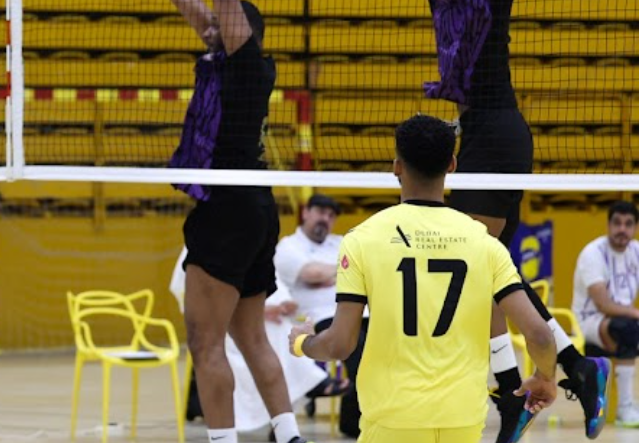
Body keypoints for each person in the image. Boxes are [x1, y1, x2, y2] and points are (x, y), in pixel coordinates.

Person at [393, 0, 607, 441]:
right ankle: (556, 375)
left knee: (476, 265)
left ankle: (531, 384)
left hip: (500, 136)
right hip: (478, 133)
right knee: (490, 276)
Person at [135, 0, 308, 443]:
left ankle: (222, 440)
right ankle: (288, 435)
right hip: (253, 205)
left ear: (243, 33)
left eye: (220, 23)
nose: (208, 23)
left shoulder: (248, 60)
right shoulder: (219, 54)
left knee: (205, 343)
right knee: (249, 336)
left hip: (229, 208)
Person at [289, 115, 558, 443]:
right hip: (462, 419)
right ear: (453, 165)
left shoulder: (362, 239)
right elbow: (541, 335)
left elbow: (340, 344)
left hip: (390, 419)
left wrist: (302, 343)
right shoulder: (484, 242)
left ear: (396, 167)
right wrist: (546, 377)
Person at [171, 248, 329, 435]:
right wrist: (263, 310)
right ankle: (305, 391)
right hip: (222, 322)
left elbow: (265, 283)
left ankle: (286, 424)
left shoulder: (251, 239)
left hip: (255, 321)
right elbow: (189, 291)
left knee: (276, 331)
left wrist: (282, 303)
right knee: (264, 337)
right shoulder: (204, 246)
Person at [275, 193, 365, 436]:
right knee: (360, 349)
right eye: (321, 213)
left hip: (360, 312)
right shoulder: (289, 246)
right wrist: (345, 270)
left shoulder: (339, 243)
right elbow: (310, 273)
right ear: (305, 212)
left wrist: (334, 274)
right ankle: (352, 422)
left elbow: (365, 270)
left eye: (331, 215)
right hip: (317, 318)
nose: (325, 219)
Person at [573, 201, 639, 427]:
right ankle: (625, 408)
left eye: (628, 224)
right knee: (626, 330)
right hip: (589, 322)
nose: (622, 229)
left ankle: (627, 404)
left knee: (627, 327)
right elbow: (603, 305)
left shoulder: (636, 251)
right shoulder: (593, 253)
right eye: (617, 223)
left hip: (624, 319)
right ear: (608, 225)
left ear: (635, 227)